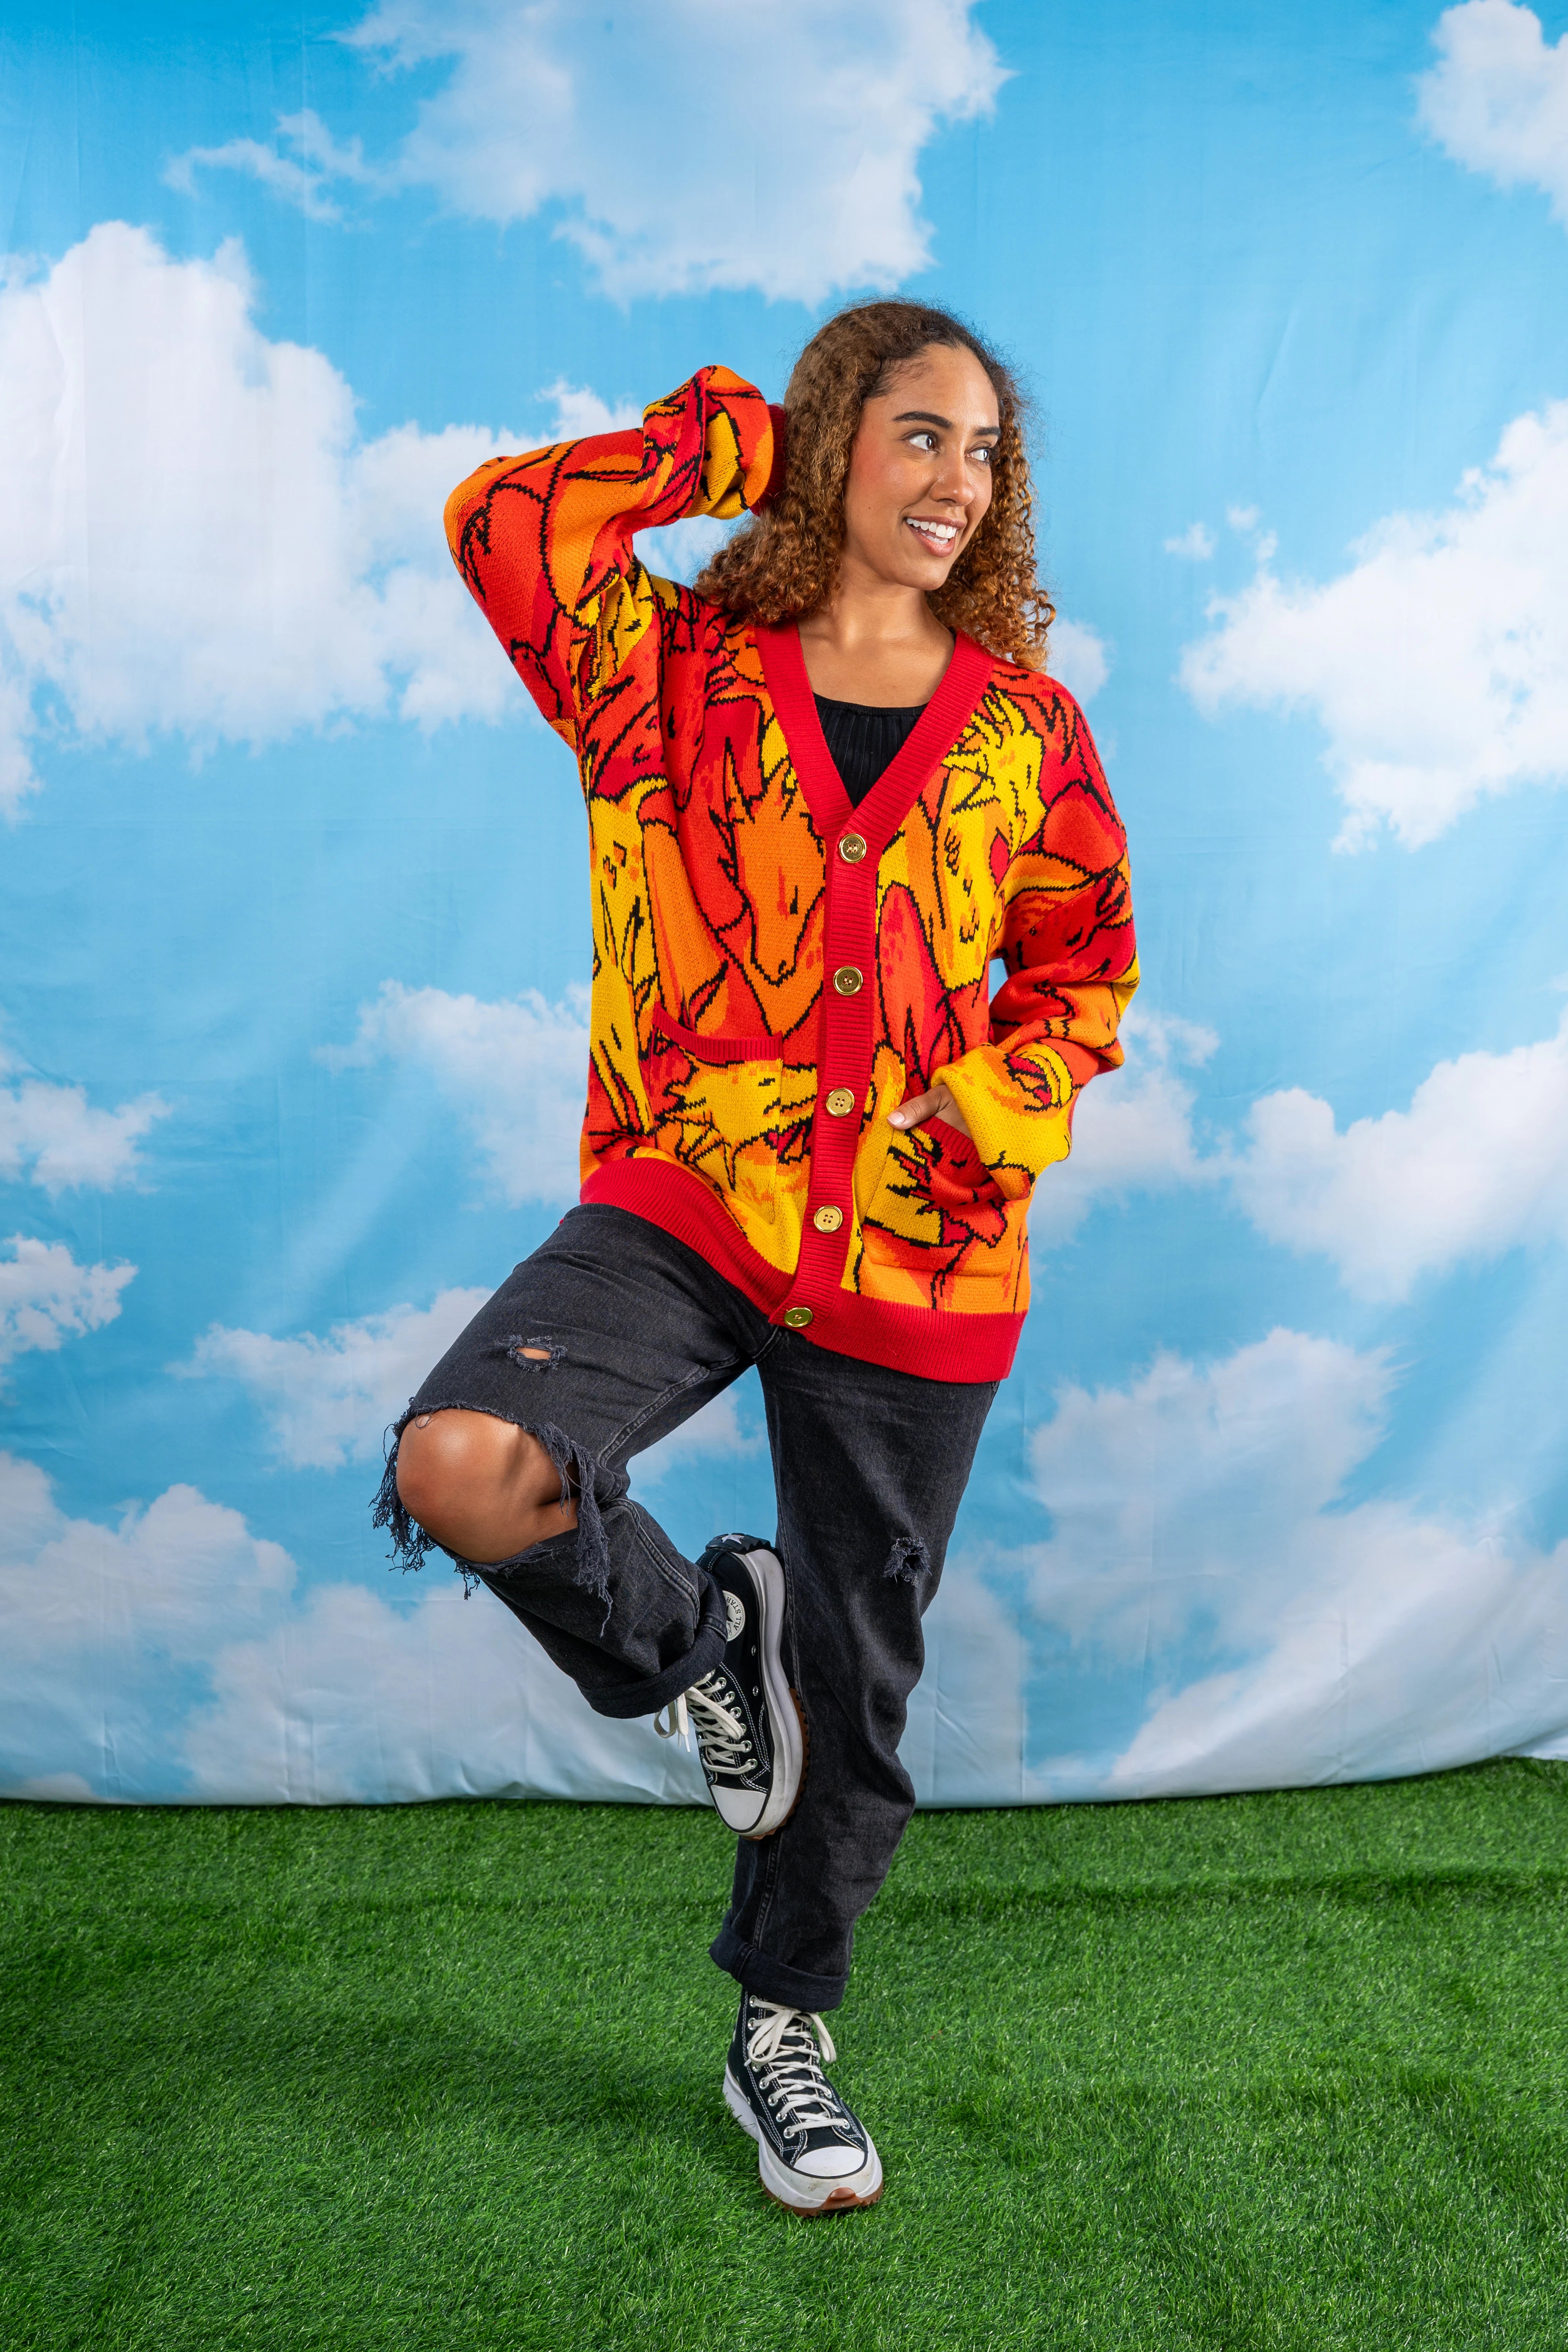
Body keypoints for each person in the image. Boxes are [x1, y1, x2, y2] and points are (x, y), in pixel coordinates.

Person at [376, 300, 1137, 2215]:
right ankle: (708, 1646)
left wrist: (996, 1096)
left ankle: (781, 2030)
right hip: (690, 1192)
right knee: (467, 1459)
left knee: (858, 1680)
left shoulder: (1028, 727)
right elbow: (503, 520)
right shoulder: (663, 668)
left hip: (922, 1250)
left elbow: (1083, 967)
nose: (959, 481)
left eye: (986, 451)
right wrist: (728, 442)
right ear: (831, 441)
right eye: (918, 435)